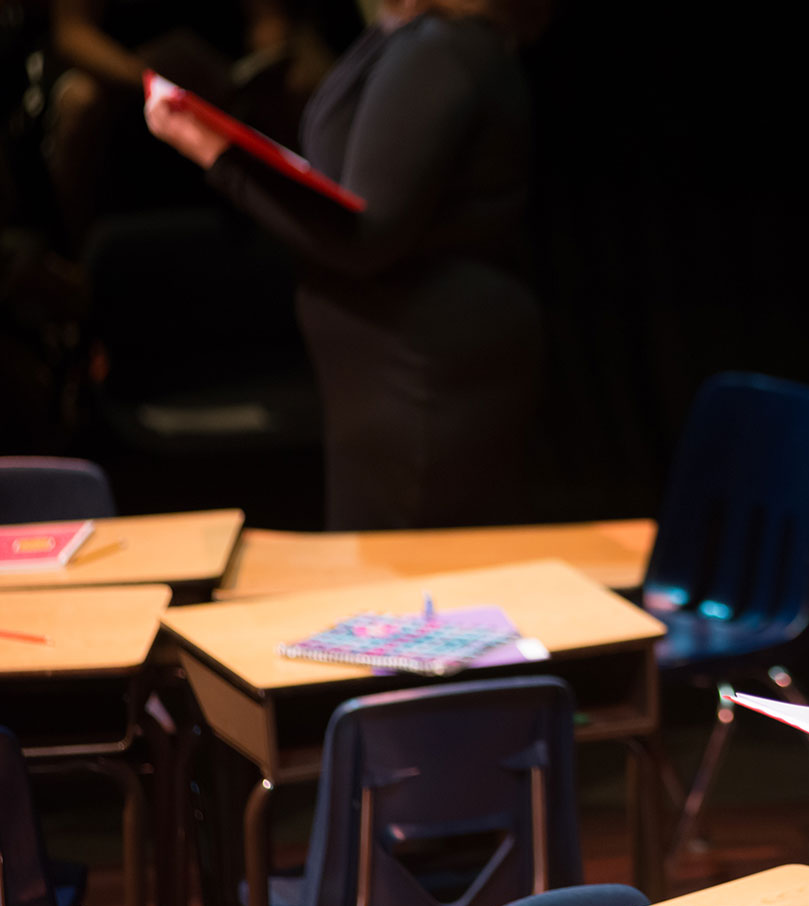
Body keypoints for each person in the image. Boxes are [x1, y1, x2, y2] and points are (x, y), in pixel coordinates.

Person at [143, 0, 547, 530]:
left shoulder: (440, 47)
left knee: (417, 587)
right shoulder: (409, 35)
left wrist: (214, 151)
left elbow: (364, 237)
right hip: (397, 363)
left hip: (420, 370)